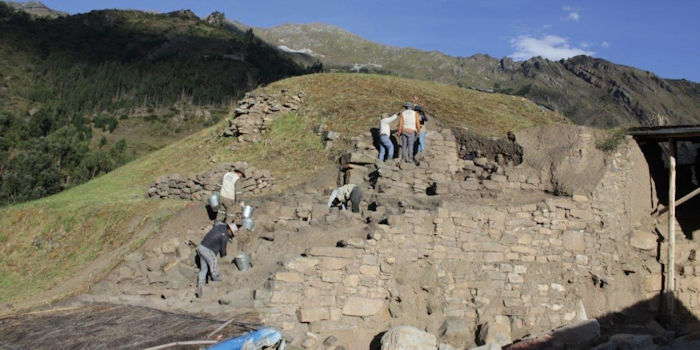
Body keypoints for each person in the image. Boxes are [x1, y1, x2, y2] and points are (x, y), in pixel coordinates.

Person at [196, 221, 237, 297]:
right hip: (207, 249)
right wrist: (225, 257)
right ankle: (216, 277)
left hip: (201, 246)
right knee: (214, 260)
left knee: (204, 269)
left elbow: (216, 223)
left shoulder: (220, 226)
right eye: (232, 234)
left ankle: (201, 287)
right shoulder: (225, 236)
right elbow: (223, 249)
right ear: (230, 230)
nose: (231, 236)